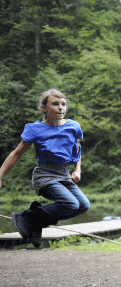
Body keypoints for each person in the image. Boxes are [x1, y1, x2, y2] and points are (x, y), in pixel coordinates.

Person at [0, 89, 90, 248]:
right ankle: (28, 216)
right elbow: (16, 153)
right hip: (45, 176)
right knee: (71, 204)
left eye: (63, 104)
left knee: (83, 206)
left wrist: (78, 170)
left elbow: (77, 149)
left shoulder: (73, 126)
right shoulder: (35, 129)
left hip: (64, 175)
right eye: (55, 104)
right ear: (44, 108)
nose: (60, 107)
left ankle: (35, 221)